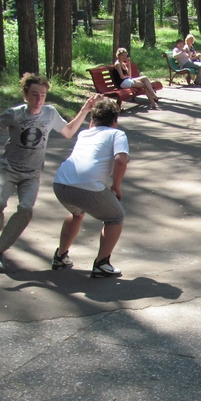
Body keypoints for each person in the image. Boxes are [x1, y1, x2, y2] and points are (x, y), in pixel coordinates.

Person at [0, 74, 99, 272]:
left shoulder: (50, 113)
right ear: (26, 95)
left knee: (26, 209)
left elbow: (69, 132)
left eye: (43, 95)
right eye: (34, 94)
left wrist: (85, 110)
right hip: (9, 169)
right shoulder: (14, 114)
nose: (39, 99)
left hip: (32, 174)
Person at [52, 98, 130, 278]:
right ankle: (102, 264)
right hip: (87, 187)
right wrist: (116, 186)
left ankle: (60, 256)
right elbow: (120, 160)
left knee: (77, 213)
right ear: (115, 120)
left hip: (60, 183)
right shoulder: (117, 134)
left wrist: (87, 110)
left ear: (93, 120)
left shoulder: (84, 134)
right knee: (116, 217)